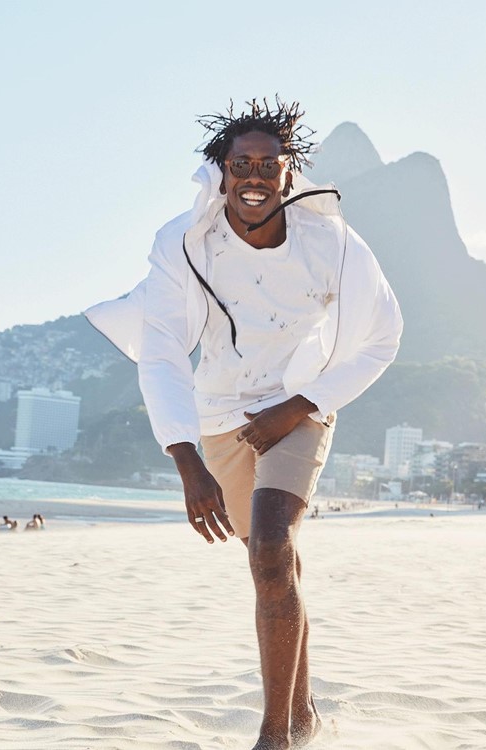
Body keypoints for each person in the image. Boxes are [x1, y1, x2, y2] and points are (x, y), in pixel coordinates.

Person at [85, 97, 403, 750]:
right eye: (241, 165)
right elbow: (165, 348)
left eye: (268, 164)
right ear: (220, 174)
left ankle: (275, 733)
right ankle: (305, 712)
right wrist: (186, 458)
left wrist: (302, 404)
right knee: (274, 560)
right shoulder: (183, 242)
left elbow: (383, 337)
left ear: (290, 174)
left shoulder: (333, 244)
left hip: (301, 405)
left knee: (266, 549)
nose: (254, 176)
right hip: (220, 416)